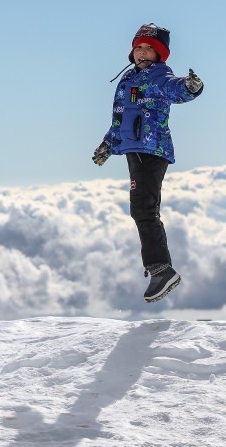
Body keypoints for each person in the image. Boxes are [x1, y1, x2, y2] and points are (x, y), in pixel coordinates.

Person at [92, 23, 204, 303]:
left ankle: (161, 270)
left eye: (149, 49)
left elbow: (175, 89)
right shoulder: (127, 80)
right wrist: (108, 144)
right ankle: (159, 269)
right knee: (140, 208)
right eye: (138, 47)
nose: (142, 53)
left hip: (152, 149)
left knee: (144, 208)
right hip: (134, 149)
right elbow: (119, 120)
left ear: (160, 55)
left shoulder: (158, 76)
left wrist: (192, 87)